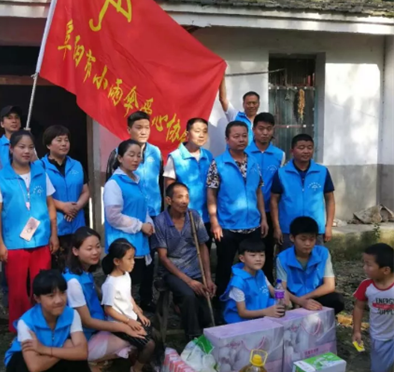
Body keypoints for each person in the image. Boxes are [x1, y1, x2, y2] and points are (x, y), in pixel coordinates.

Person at [0, 130, 60, 332]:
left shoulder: (41, 173)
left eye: (30, 147)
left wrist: (54, 234)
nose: (27, 151)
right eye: (21, 147)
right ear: (11, 149)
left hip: (41, 240)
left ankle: (42, 324)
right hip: (14, 243)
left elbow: (50, 205)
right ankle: (20, 328)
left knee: (42, 287)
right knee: (17, 290)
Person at [1, 270, 90, 372]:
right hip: (28, 370)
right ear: (37, 298)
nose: (59, 300)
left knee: (76, 352)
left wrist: (45, 349)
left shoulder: (72, 314)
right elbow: (34, 366)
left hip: (46, 355)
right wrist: (66, 349)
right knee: (23, 360)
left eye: (62, 293)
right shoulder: (26, 322)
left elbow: (83, 352)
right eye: (51, 296)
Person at [63, 227, 142, 372]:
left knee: (134, 333)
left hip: (95, 328)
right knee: (131, 339)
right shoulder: (73, 283)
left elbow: (97, 294)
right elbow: (87, 321)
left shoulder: (85, 272)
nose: (95, 252)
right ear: (75, 251)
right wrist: (124, 326)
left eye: (98, 246)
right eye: (89, 248)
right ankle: (89, 362)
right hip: (82, 336)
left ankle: (98, 355)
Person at [207, 121, 269, 299]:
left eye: (244, 136)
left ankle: (252, 300)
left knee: (254, 265)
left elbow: (258, 192)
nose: (241, 139)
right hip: (228, 227)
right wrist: (214, 222)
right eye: (236, 136)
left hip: (252, 225)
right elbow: (211, 194)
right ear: (227, 139)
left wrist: (263, 219)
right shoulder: (218, 163)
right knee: (224, 267)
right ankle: (222, 302)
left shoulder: (253, 161)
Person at [151, 182, 216, 340]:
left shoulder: (194, 216)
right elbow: (163, 258)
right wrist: (189, 281)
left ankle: (203, 328)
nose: (184, 201)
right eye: (180, 197)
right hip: (172, 272)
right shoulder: (160, 221)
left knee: (207, 305)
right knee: (189, 295)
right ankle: (193, 337)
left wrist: (208, 278)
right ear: (169, 200)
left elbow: (203, 247)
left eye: (187, 197)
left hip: (195, 268)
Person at [101, 239, 163, 372]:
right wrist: (129, 322)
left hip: (131, 318)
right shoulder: (110, 284)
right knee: (149, 344)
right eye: (129, 259)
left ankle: (150, 362)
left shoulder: (125, 275)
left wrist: (139, 313)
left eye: (133, 258)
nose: (133, 262)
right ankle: (135, 370)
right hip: (119, 324)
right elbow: (108, 309)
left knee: (155, 333)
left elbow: (128, 296)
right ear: (117, 261)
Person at [104, 139, 156, 312]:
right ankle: (121, 317)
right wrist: (140, 226)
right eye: (131, 155)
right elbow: (113, 216)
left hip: (138, 241)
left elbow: (142, 208)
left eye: (138, 155)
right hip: (123, 243)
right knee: (122, 287)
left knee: (133, 283)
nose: (135, 159)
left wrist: (148, 223)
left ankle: (134, 314)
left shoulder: (136, 180)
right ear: (120, 158)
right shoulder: (114, 184)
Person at [270, 133, 336, 250]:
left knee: (315, 259)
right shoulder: (281, 173)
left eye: (309, 148)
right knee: (288, 259)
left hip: (315, 229)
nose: (306, 151)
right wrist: (277, 227)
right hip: (288, 229)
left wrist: (328, 226)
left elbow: (330, 199)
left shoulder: (322, 172)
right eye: (301, 148)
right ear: (292, 151)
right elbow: (274, 201)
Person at [41, 125, 90, 269]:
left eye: (66, 140)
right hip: (54, 228)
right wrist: (63, 206)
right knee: (56, 270)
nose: (64, 144)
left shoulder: (77, 165)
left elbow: (85, 191)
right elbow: (39, 195)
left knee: (77, 268)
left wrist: (76, 207)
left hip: (77, 225)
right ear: (48, 145)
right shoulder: (39, 167)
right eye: (59, 140)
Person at [276, 217, 345, 314]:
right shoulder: (282, 258)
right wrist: (299, 301)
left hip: (315, 295)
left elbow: (329, 285)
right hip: (293, 298)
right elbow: (281, 288)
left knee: (337, 300)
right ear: (292, 238)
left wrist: (304, 299)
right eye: (303, 239)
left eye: (312, 239)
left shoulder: (323, 253)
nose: (308, 243)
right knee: (280, 300)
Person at [247, 113, 286, 283]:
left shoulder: (279, 155)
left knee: (267, 251)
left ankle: (268, 285)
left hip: (271, 210)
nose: (264, 132)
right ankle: (249, 285)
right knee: (249, 251)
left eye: (268, 129)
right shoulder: (244, 152)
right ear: (253, 130)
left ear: (273, 130)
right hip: (248, 211)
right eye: (261, 128)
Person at [164, 118, 214, 250]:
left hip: (206, 217)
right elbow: (169, 187)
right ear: (187, 134)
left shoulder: (209, 156)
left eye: (204, 131)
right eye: (197, 131)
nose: (201, 135)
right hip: (183, 217)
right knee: (183, 254)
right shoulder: (175, 157)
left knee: (204, 252)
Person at [105, 111, 163, 220]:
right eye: (139, 128)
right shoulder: (118, 153)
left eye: (147, 128)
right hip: (130, 213)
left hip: (154, 212)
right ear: (129, 130)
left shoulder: (156, 152)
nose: (143, 132)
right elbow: (111, 183)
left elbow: (160, 182)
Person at [352, 243, 394, 372]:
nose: (364, 268)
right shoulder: (366, 286)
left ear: (386, 270)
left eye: (368, 265)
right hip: (380, 336)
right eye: (364, 263)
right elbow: (358, 307)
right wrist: (357, 331)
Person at [221, 239, 284, 324]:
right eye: (253, 255)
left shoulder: (260, 273)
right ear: (242, 258)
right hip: (240, 320)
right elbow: (242, 313)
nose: (258, 259)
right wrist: (266, 312)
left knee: (278, 307)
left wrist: (282, 297)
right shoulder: (238, 282)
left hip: (259, 309)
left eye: (262, 255)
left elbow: (272, 290)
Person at [218, 76, 259, 145]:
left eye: (254, 103)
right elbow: (223, 99)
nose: (251, 106)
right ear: (243, 104)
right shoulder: (235, 115)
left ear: (258, 104)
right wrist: (222, 76)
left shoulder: (261, 121)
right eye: (248, 103)